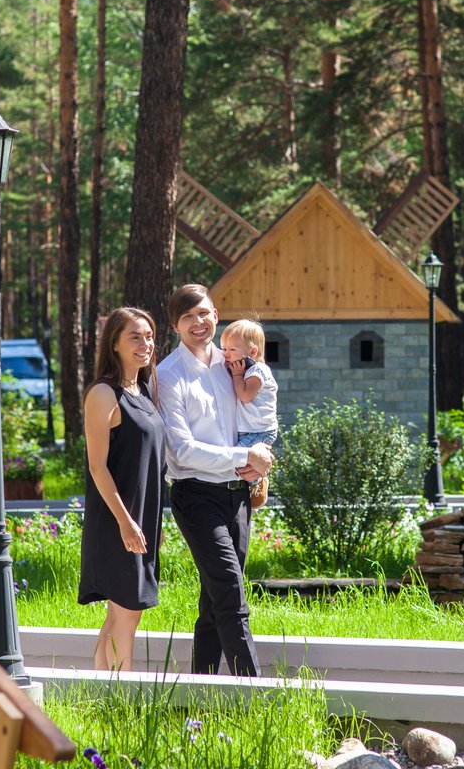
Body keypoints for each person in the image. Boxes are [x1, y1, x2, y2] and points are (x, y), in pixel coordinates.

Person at [156, 284, 274, 676]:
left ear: (216, 314)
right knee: (230, 593)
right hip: (195, 497)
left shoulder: (234, 366)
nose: (198, 322)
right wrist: (245, 456)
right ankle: (257, 696)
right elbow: (181, 451)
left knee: (213, 601)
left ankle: (199, 691)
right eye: (188, 316)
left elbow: (259, 414)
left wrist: (262, 456)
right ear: (175, 324)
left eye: (204, 313)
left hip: (238, 495)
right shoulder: (169, 375)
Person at [77, 307, 166, 672]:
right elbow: (97, 467)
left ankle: (101, 694)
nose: (145, 344)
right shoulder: (103, 393)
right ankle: (123, 696)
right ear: (114, 343)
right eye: (135, 336)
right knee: (128, 612)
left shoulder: (142, 391)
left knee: (123, 614)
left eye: (149, 336)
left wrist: (151, 524)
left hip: (142, 519)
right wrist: (126, 523)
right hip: (117, 521)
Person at [219, 319, 279, 509]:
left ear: (252, 352)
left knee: (235, 463)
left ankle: (258, 482)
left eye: (232, 350)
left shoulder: (258, 371)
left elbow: (245, 395)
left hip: (260, 431)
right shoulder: (247, 369)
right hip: (250, 430)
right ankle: (254, 482)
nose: (226, 355)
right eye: (224, 349)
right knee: (237, 462)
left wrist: (236, 375)